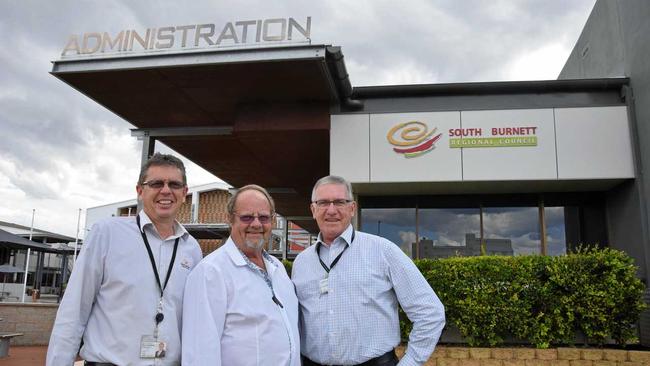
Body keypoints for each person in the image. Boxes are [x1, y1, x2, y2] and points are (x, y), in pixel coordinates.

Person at [46, 153, 203, 366]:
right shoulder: (107, 234)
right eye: (156, 183)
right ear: (140, 191)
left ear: (184, 193)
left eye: (174, 184)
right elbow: (74, 310)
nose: (166, 191)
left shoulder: (191, 248)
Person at [292, 175, 446, 366]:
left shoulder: (383, 251)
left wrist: (411, 361)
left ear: (352, 208)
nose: (331, 210)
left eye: (340, 202)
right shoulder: (301, 262)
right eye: (323, 203)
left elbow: (430, 311)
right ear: (313, 210)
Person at [182, 184, 300, 366]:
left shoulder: (278, 268)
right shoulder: (211, 272)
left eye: (263, 217)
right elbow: (200, 353)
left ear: (273, 220)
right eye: (246, 217)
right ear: (230, 219)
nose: (256, 224)